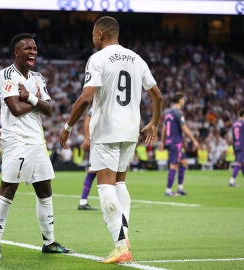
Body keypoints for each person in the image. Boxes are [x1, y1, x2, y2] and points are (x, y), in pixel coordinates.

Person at [59, 16, 163, 264]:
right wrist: (154, 123)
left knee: (105, 186)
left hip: (106, 130)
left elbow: (86, 98)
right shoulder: (136, 58)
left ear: (101, 34)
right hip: (130, 130)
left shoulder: (98, 58)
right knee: (119, 184)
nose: (92, 39)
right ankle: (124, 238)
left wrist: (68, 126)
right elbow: (158, 97)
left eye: (93, 34)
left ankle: (120, 246)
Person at [0, 33, 72, 260]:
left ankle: (49, 242)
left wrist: (31, 98)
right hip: (16, 141)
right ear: (17, 52)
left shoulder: (38, 77)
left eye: (34, 48)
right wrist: (35, 100)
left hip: (37, 140)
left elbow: (49, 109)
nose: (32, 51)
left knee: (45, 191)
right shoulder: (5, 75)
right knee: (8, 190)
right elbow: (14, 108)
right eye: (27, 48)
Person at [158, 92, 199, 196]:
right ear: (180, 100)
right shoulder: (178, 112)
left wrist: (162, 142)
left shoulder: (168, 113)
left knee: (184, 162)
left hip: (171, 142)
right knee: (174, 165)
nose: (184, 101)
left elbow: (164, 128)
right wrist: (194, 139)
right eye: (183, 99)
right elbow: (184, 128)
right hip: (176, 142)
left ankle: (180, 188)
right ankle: (168, 191)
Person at [78, 110, 97, 210]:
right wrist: (87, 138)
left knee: (93, 172)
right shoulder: (99, 101)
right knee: (92, 171)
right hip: (98, 143)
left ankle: (83, 201)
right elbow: (87, 118)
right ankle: (82, 201)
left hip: (102, 142)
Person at [228, 109, 244, 187]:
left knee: (242, 163)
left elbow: (233, 137)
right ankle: (231, 181)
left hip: (237, 145)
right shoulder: (243, 123)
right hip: (242, 145)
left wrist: (234, 148)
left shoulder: (234, 124)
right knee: (239, 163)